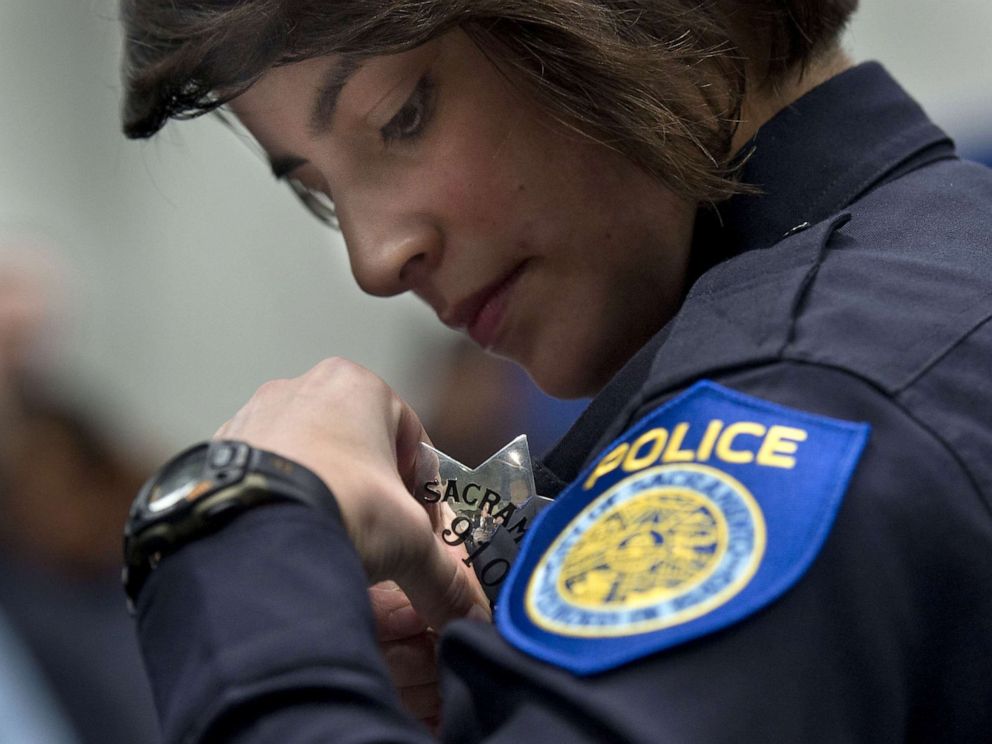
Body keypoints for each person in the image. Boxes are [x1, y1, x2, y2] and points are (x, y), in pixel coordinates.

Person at [117, 1, 992, 742]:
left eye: (402, 117)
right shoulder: (929, 272)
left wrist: (233, 529)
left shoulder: (805, 405)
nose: (373, 257)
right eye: (313, 186)